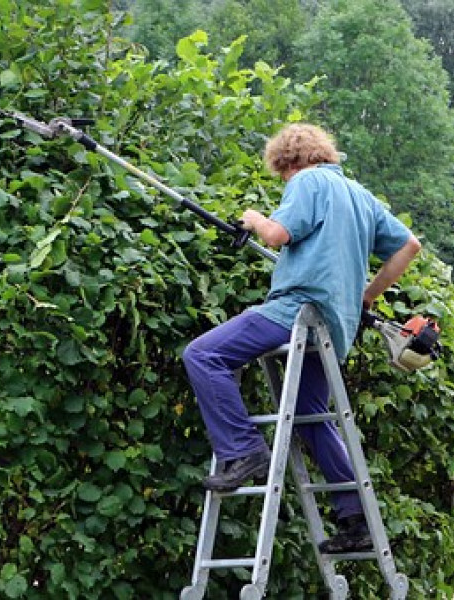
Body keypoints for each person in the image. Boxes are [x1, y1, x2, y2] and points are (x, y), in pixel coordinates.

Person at [181, 123, 421, 553]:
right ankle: (357, 519)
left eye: (281, 175)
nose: (284, 182)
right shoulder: (360, 196)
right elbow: (410, 246)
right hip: (335, 323)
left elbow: (276, 235)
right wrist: (365, 297)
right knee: (311, 415)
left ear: (289, 161)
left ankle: (243, 449)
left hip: (297, 311)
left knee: (203, 355)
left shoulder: (307, 181)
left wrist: (254, 219)